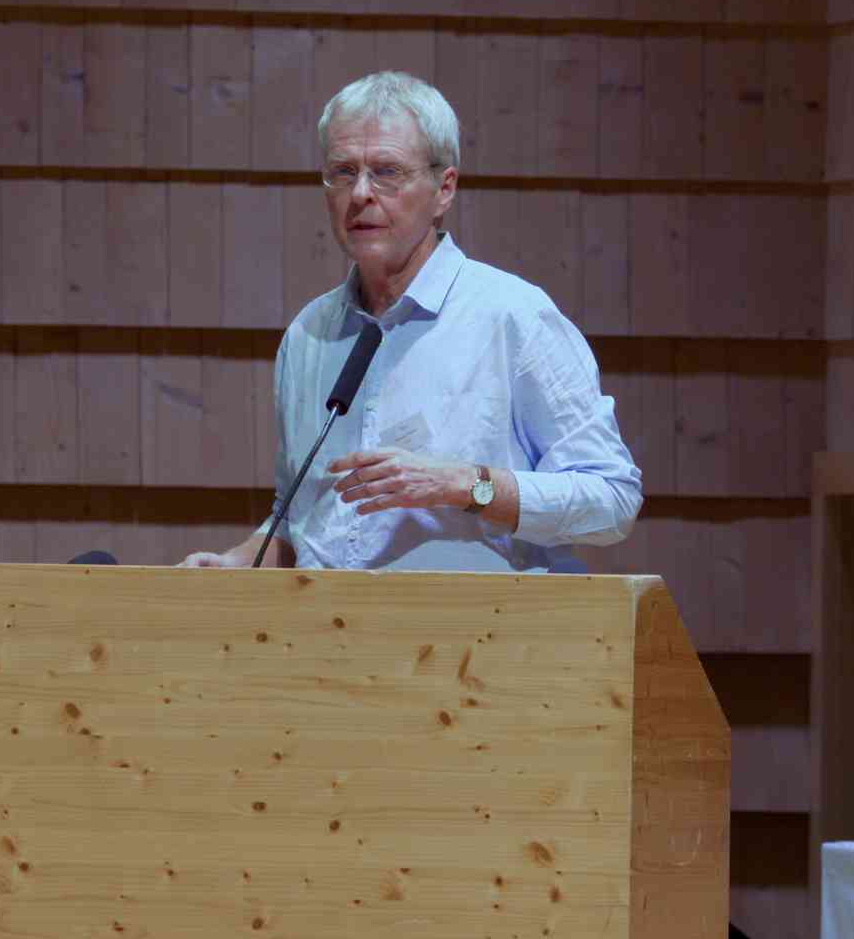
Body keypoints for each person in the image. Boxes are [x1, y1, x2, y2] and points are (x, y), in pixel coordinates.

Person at [178, 71, 640, 571]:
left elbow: (611, 499)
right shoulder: (308, 334)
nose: (360, 193)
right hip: (325, 621)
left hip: (477, 621)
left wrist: (462, 484)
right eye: (342, 172)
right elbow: (303, 523)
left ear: (444, 189)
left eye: (387, 172)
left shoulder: (513, 317)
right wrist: (236, 564)